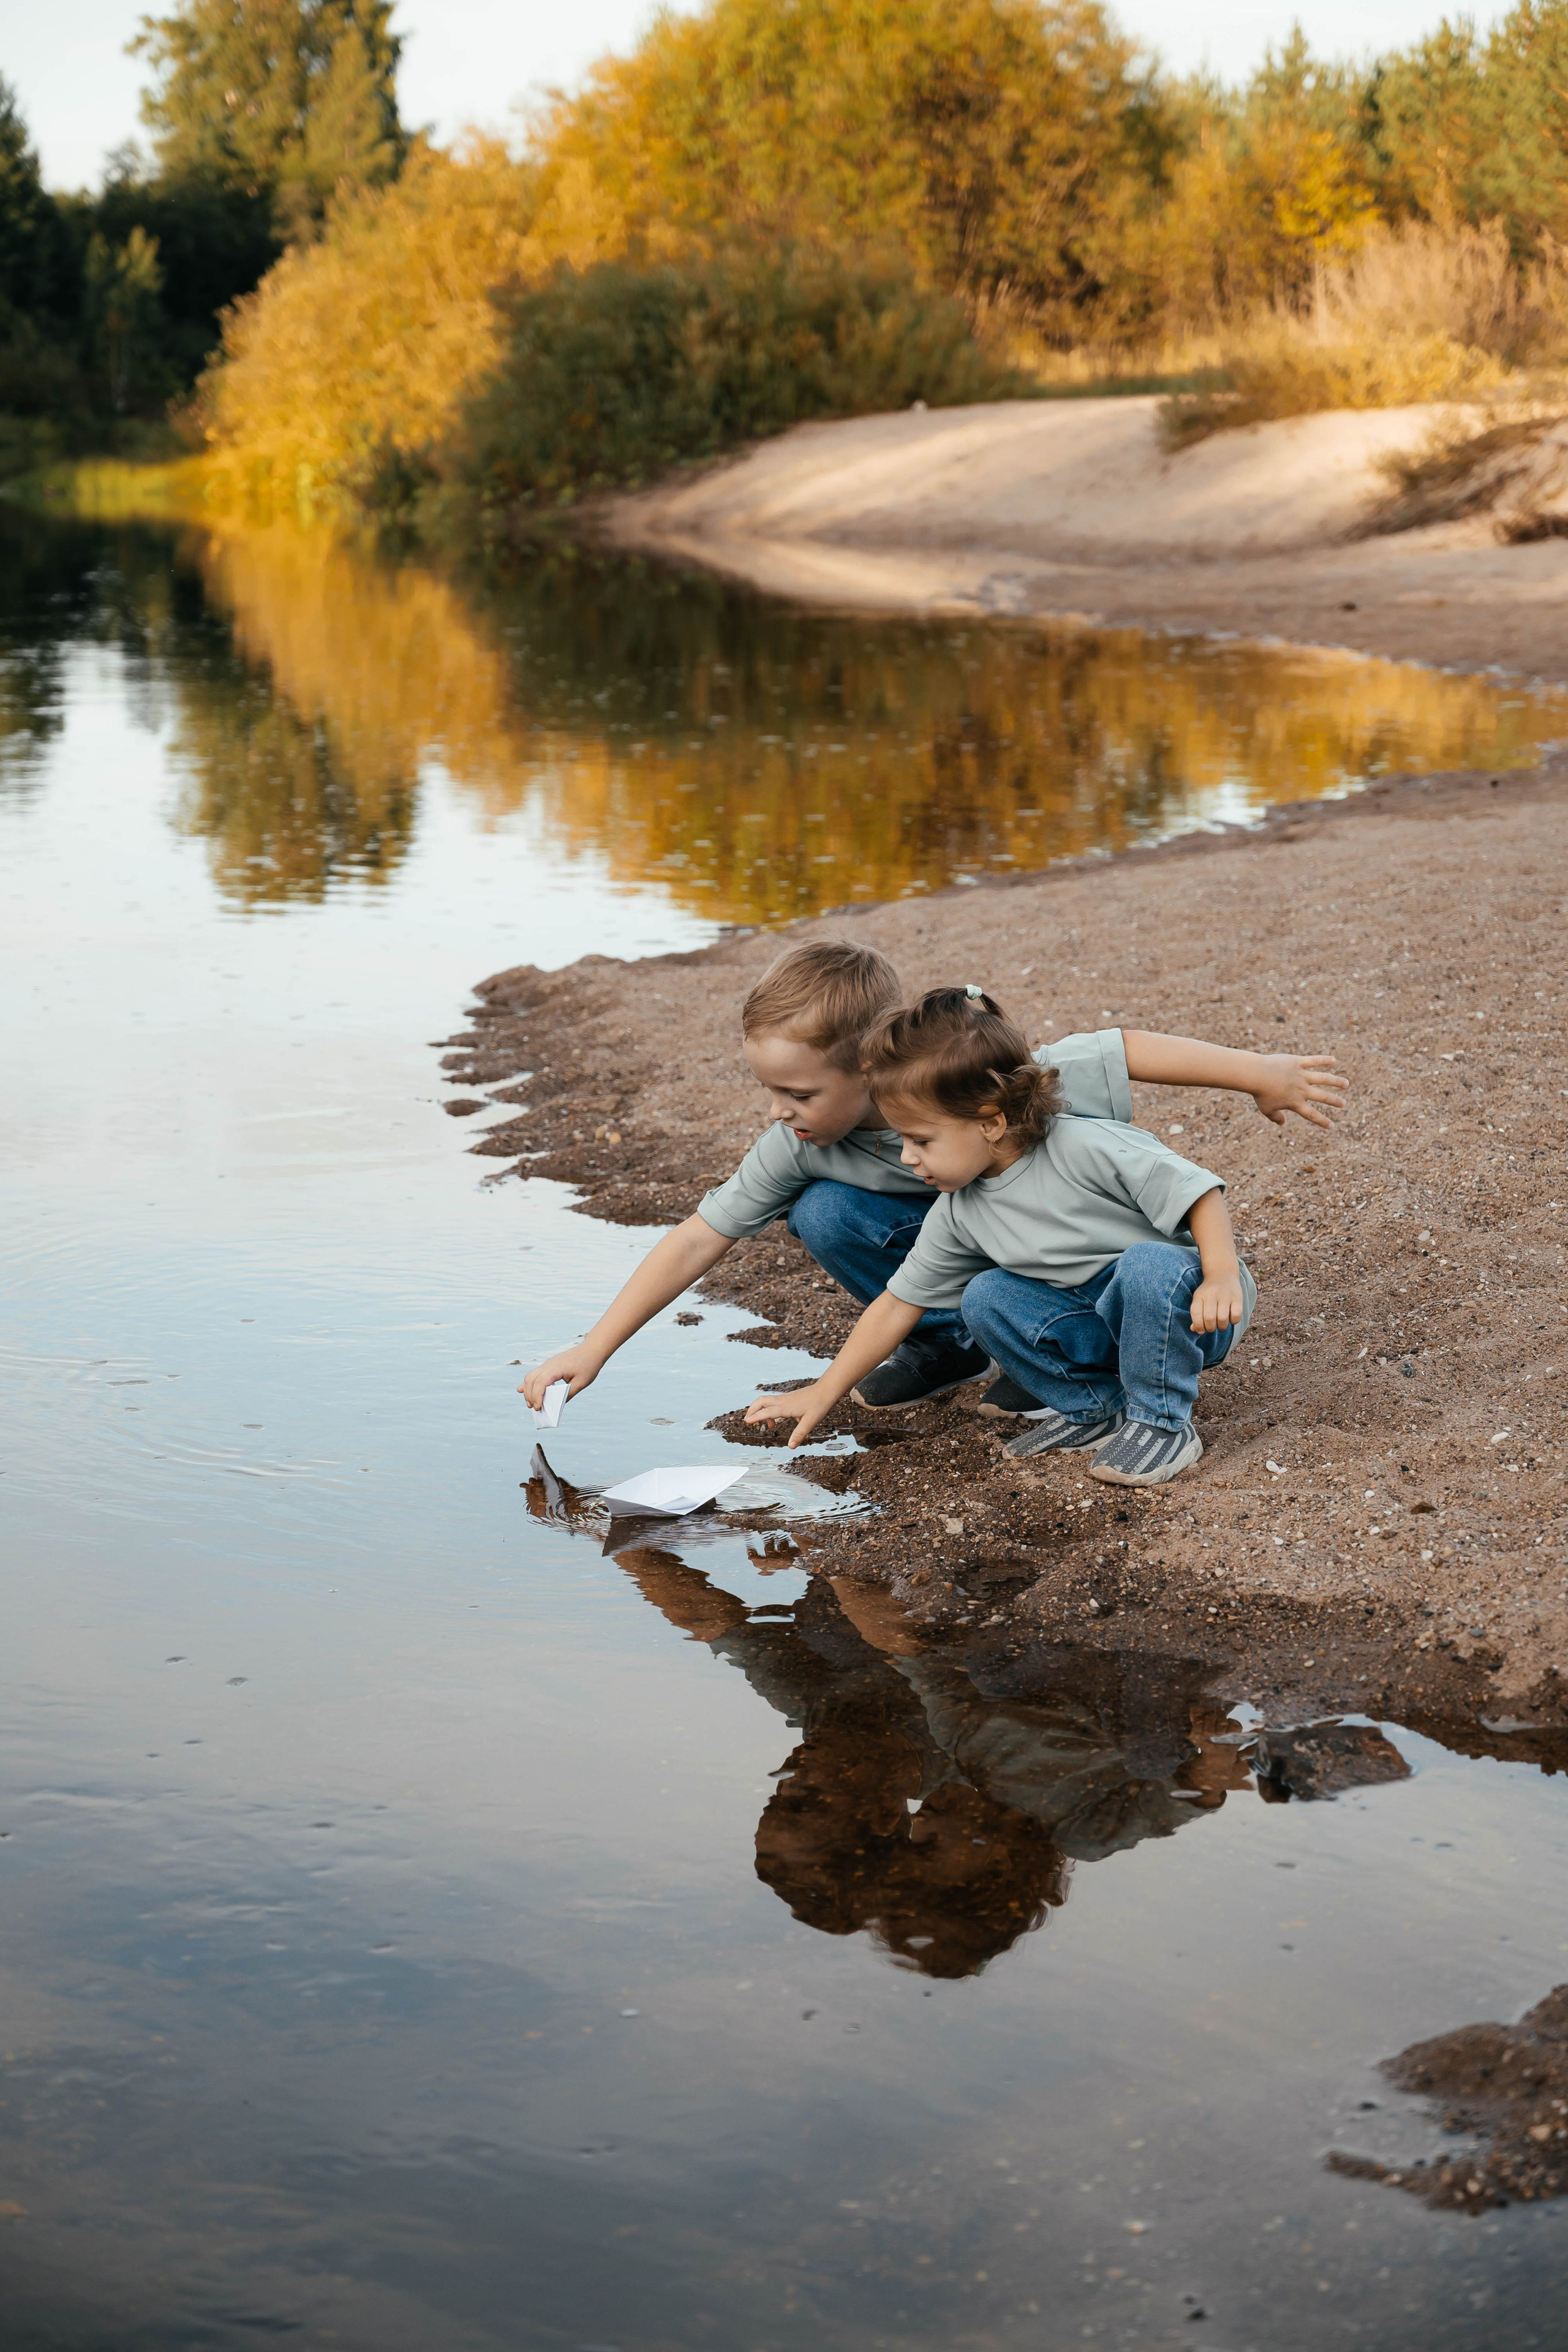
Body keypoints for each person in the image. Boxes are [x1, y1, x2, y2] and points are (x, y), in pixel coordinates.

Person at [521, 940, 1341, 1420]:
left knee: (1081, 1260)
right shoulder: (803, 1143)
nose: (779, 1112)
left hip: (1080, 1263)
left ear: (867, 1072)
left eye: (799, 1092)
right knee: (824, 1210)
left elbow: (1119, 1050)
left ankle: (1047, 1350)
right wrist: (594, 1349)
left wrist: (1257, 1072)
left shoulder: (967, 1090)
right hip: (956, 1265)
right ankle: (946, 1351)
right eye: (768, 1091)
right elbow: (698, 1238)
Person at [744, 986, 1256, 1487]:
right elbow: (898, 1304)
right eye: (902, 1139)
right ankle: (1097, 1410)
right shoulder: (959, 1209)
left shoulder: (1082, 1144)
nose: (906, 1157)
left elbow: (1197, 1193)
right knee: (984, 1295)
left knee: (1147, 1263)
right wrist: (824, 1390)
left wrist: (1221, 1276)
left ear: (989, 1124)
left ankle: (1163, 1423)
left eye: (921, 1139)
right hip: (1096, 1321)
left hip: (1190, 1310)